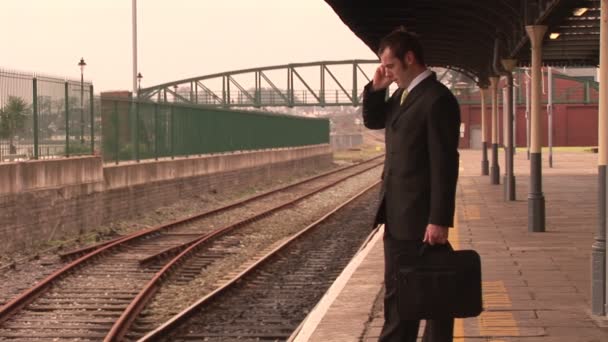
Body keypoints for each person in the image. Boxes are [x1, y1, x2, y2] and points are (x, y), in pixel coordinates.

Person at [362, 28, 461, 342]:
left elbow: (445, 164)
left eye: (390, 66)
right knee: (406, 291)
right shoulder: (402, 96)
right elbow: (374, 121)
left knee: (411, 294)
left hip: (419, 219)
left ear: (409, 58)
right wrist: (376, 88)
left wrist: (439, 219)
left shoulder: (436, 100)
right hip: (397, 214)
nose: (386, 72)